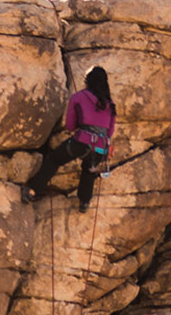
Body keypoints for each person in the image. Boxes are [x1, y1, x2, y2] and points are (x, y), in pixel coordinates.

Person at [25, 65, 116, 208]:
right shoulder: (110, 104)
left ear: (88, 81)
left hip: (80, 143)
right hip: (100, 149)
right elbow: (109, 132)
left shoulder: (78, 97)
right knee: (88, 169)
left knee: (54, 160)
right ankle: (84, 202)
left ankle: (32, 190)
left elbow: (70, 125)